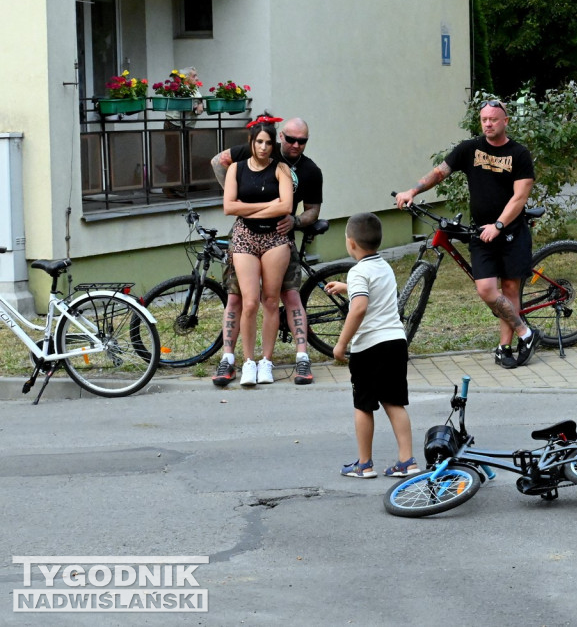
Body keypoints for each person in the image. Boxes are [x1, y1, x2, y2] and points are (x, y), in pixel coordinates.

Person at [394, 99, 540, 369]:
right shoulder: (470, 149)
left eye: (493, 119)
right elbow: (439, 173)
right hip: (480, 232)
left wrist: (498, 226)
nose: (488, 124)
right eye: (484, 119)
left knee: (509, 289)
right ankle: (526, 334)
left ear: (505, 122)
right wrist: (412, 191)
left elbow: (520, 197)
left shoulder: (519, 154)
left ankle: (504, 347)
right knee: (486, 289)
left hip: (510, 232)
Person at [209, 117, 323, 386]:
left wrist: (294, 220)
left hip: (279, 237)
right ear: (281, 137)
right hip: (245, 236)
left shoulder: (306, 170)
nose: (296, 144)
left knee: (284, 297)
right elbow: (218, 165)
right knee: (239, 298)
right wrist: (238, 199)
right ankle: (230, 359)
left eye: (302, 141)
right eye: (291, 139)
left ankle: (299, 357)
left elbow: (306, 208)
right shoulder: (242, 158)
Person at [326, 213, 418, 479]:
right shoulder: (384, 267)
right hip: (395, 343)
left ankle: (364, 464)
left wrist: (341, 344)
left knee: (363, 404)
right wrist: (347, 287)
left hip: (369, 347)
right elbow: (374, 291)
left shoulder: (358, 271)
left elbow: (360, 308)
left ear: (351, 243)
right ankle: (407, 461)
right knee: (394, 401)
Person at [222, 115, 294, 387]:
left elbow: (285, 206)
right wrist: (265, 207)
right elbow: (229, 207)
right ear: (251, 142)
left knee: (271, 301)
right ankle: (248, 362)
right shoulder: (236, 169)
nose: (264, 147)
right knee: (249, 301)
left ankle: (266, 361)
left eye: (269, 143)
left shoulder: (281, 169)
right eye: (259, 142)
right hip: (245, 237)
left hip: (275, 237)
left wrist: (248, 207)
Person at [159, 67, 205, 189]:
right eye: (194, 76)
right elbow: (187, 105)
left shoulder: (194, 88)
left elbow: (200, 108)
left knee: (185, 156)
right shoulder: (179, 89)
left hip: (187, 126)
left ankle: (184, 186)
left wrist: (198, 105)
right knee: (174, 157)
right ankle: (171, 188)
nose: (197, 78)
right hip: (174, 125)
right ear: (185, 78)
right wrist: (196, 106)